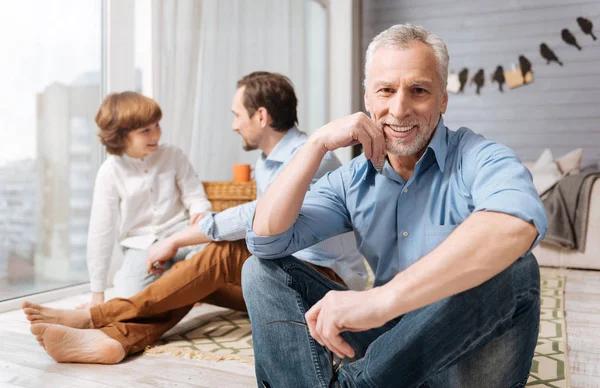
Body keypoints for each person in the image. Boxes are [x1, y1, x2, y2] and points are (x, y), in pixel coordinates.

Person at [242, 24, 547, 388]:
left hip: (464, 353)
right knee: (260, 271)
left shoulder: (480, 157)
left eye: (418, 90)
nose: (399, 109)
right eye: (386, 90)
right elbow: (266, 239)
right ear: (368, 99)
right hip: (387, 345)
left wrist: (381, 300)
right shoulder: (352, 179)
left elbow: (516, 222)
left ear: (443, 99)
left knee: (516, 267)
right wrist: (317, 144)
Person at [23, 71, 367, 365]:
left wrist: (177, 239)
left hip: (326, 283)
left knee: (223, 255)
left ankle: (95, 318)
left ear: (260, 117)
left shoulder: (309, 158)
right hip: (285, 277)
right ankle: (116, 341)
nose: (233, 126)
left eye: (236, 115)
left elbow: (259, 216)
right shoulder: (267, 161)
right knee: (189, 280)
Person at [85, 91, 212, 306]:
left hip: (181, 234)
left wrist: (200, 213)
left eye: (157, 126)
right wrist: (97, 293)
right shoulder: (109, 172)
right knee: (129, 300)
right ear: (121, 135)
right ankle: (180, 283)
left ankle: (180, 282)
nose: (156, 135)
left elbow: (194, 195)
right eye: (146, 130)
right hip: (141, 245)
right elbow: (101, 231)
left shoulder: (173, 155)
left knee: (217, 246)